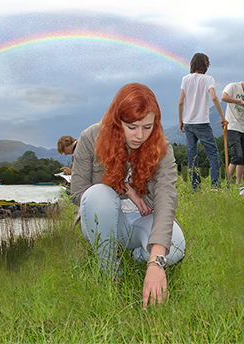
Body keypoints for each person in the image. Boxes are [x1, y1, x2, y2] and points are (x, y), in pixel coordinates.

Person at [71, 83, 186, 310]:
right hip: (102, 219)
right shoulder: (90, 137)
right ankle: (109, 269)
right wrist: (124, 189)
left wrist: (156, 262)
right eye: (132, 127)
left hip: (143, 219)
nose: (140, 136)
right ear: (117, 121)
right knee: (98, 194)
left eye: (147, 127)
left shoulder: (162, 147)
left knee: (176, 248)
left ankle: (137, 256)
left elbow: (166, 199)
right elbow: (78, 193)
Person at [178, 52, 227, 191]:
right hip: (202, 122)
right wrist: (222, 117)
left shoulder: (185, 79)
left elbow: (180, 102)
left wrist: (180, 120)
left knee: (192, 156)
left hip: (188, 122)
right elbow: (214, 98)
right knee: (213, 154)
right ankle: (215, 186)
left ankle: (195, 187)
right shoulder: (208, 79)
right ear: (205, 65)